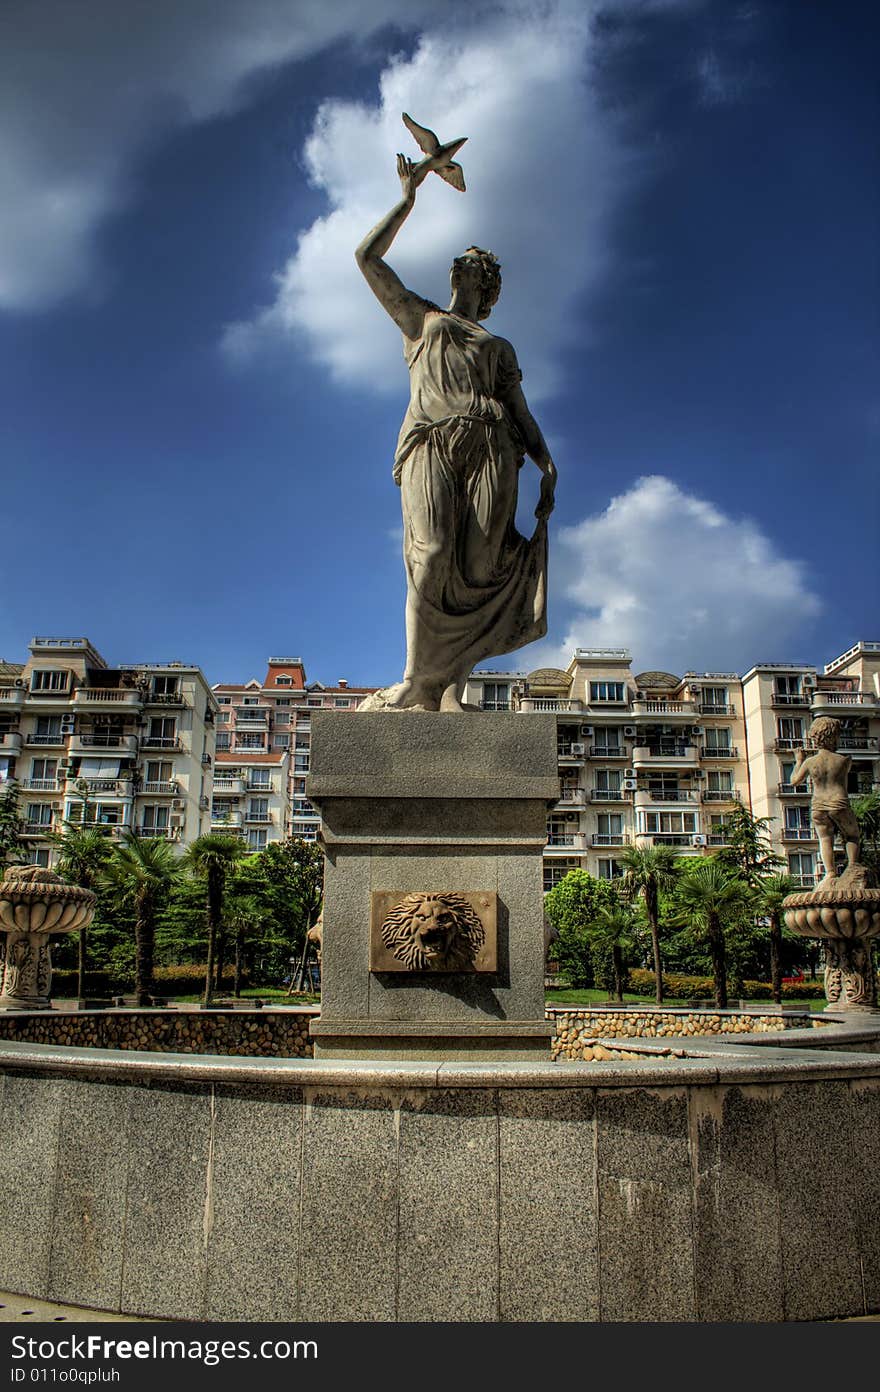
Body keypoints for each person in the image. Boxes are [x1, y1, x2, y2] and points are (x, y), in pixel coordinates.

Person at [355, 152, 557, 712]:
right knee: (434, 551)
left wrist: (546, 461)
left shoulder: (499, 346)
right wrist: (408, 198)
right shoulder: (421, 319)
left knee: (482, 568)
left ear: (487, 285)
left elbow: (519, 408)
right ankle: (417, 681)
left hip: (496, 447)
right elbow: (366, 258)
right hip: (432, 440)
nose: (460, 265)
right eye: (460, 260)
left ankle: (452, 688)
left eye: (473, 263)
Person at [790, 716, 862, 888]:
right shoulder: (844, 760)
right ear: (835, 736)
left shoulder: (810, 762)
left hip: (819, 805)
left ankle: (830, 872)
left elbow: (794, 781)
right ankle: (853, 866)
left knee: (825, 838)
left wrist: (799, 760)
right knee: (852, 835)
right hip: (838, 802)